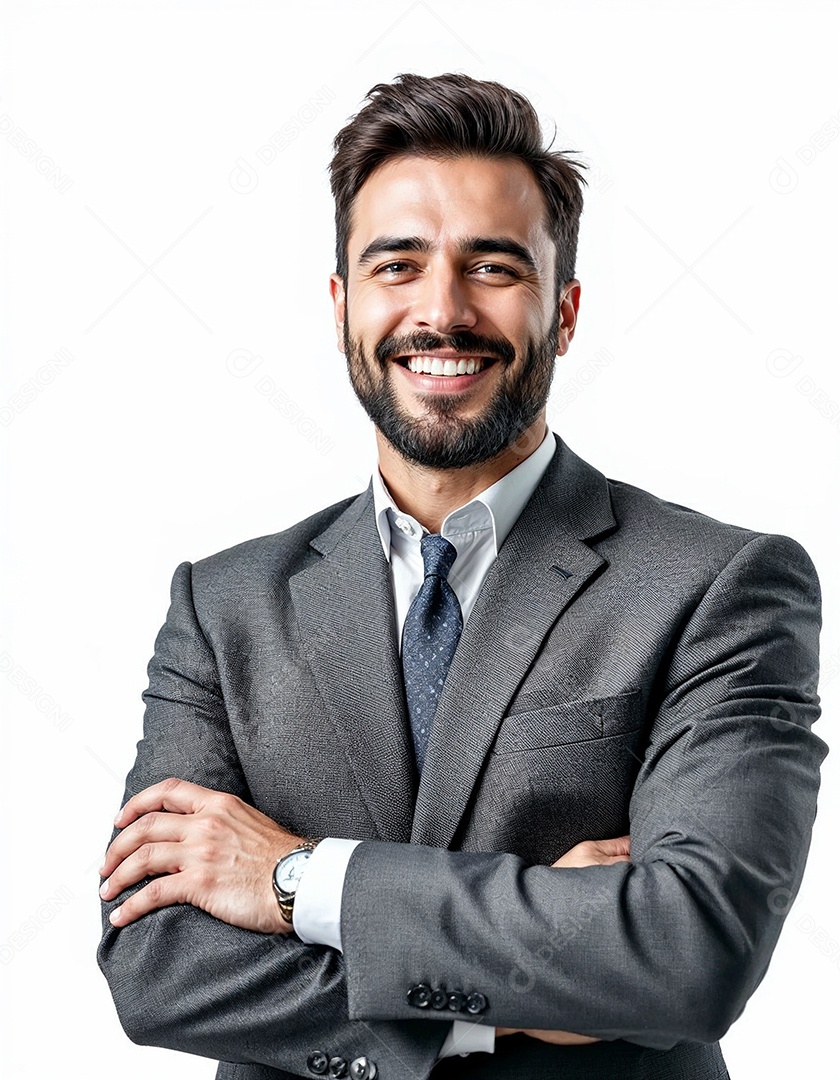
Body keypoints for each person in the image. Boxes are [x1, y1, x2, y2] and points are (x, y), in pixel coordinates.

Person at [97, 72, 827, 1080]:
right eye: (398, 265)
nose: (442, 311)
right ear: (342, 305)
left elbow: (689, 952)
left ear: (563, 313)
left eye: (493, 266)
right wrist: (509, 1003)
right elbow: (158, 966)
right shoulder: (223, 607)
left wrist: (301, 880)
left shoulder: (719, 586)